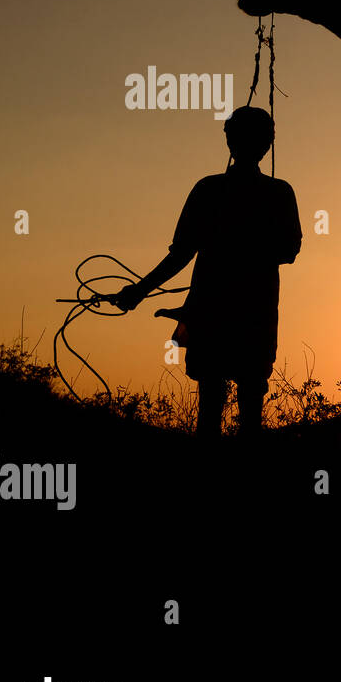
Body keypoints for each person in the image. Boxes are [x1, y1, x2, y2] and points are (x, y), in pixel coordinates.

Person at [114, 106, 302, 439]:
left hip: (217, 311)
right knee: (248, 412)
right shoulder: (277, 193)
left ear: (230, 141)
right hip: (251, 315)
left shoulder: (211, 190)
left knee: (212, 408)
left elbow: (180, 254)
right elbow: (288, 251)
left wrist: (139, 290)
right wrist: (139, 290)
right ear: (267, 144)